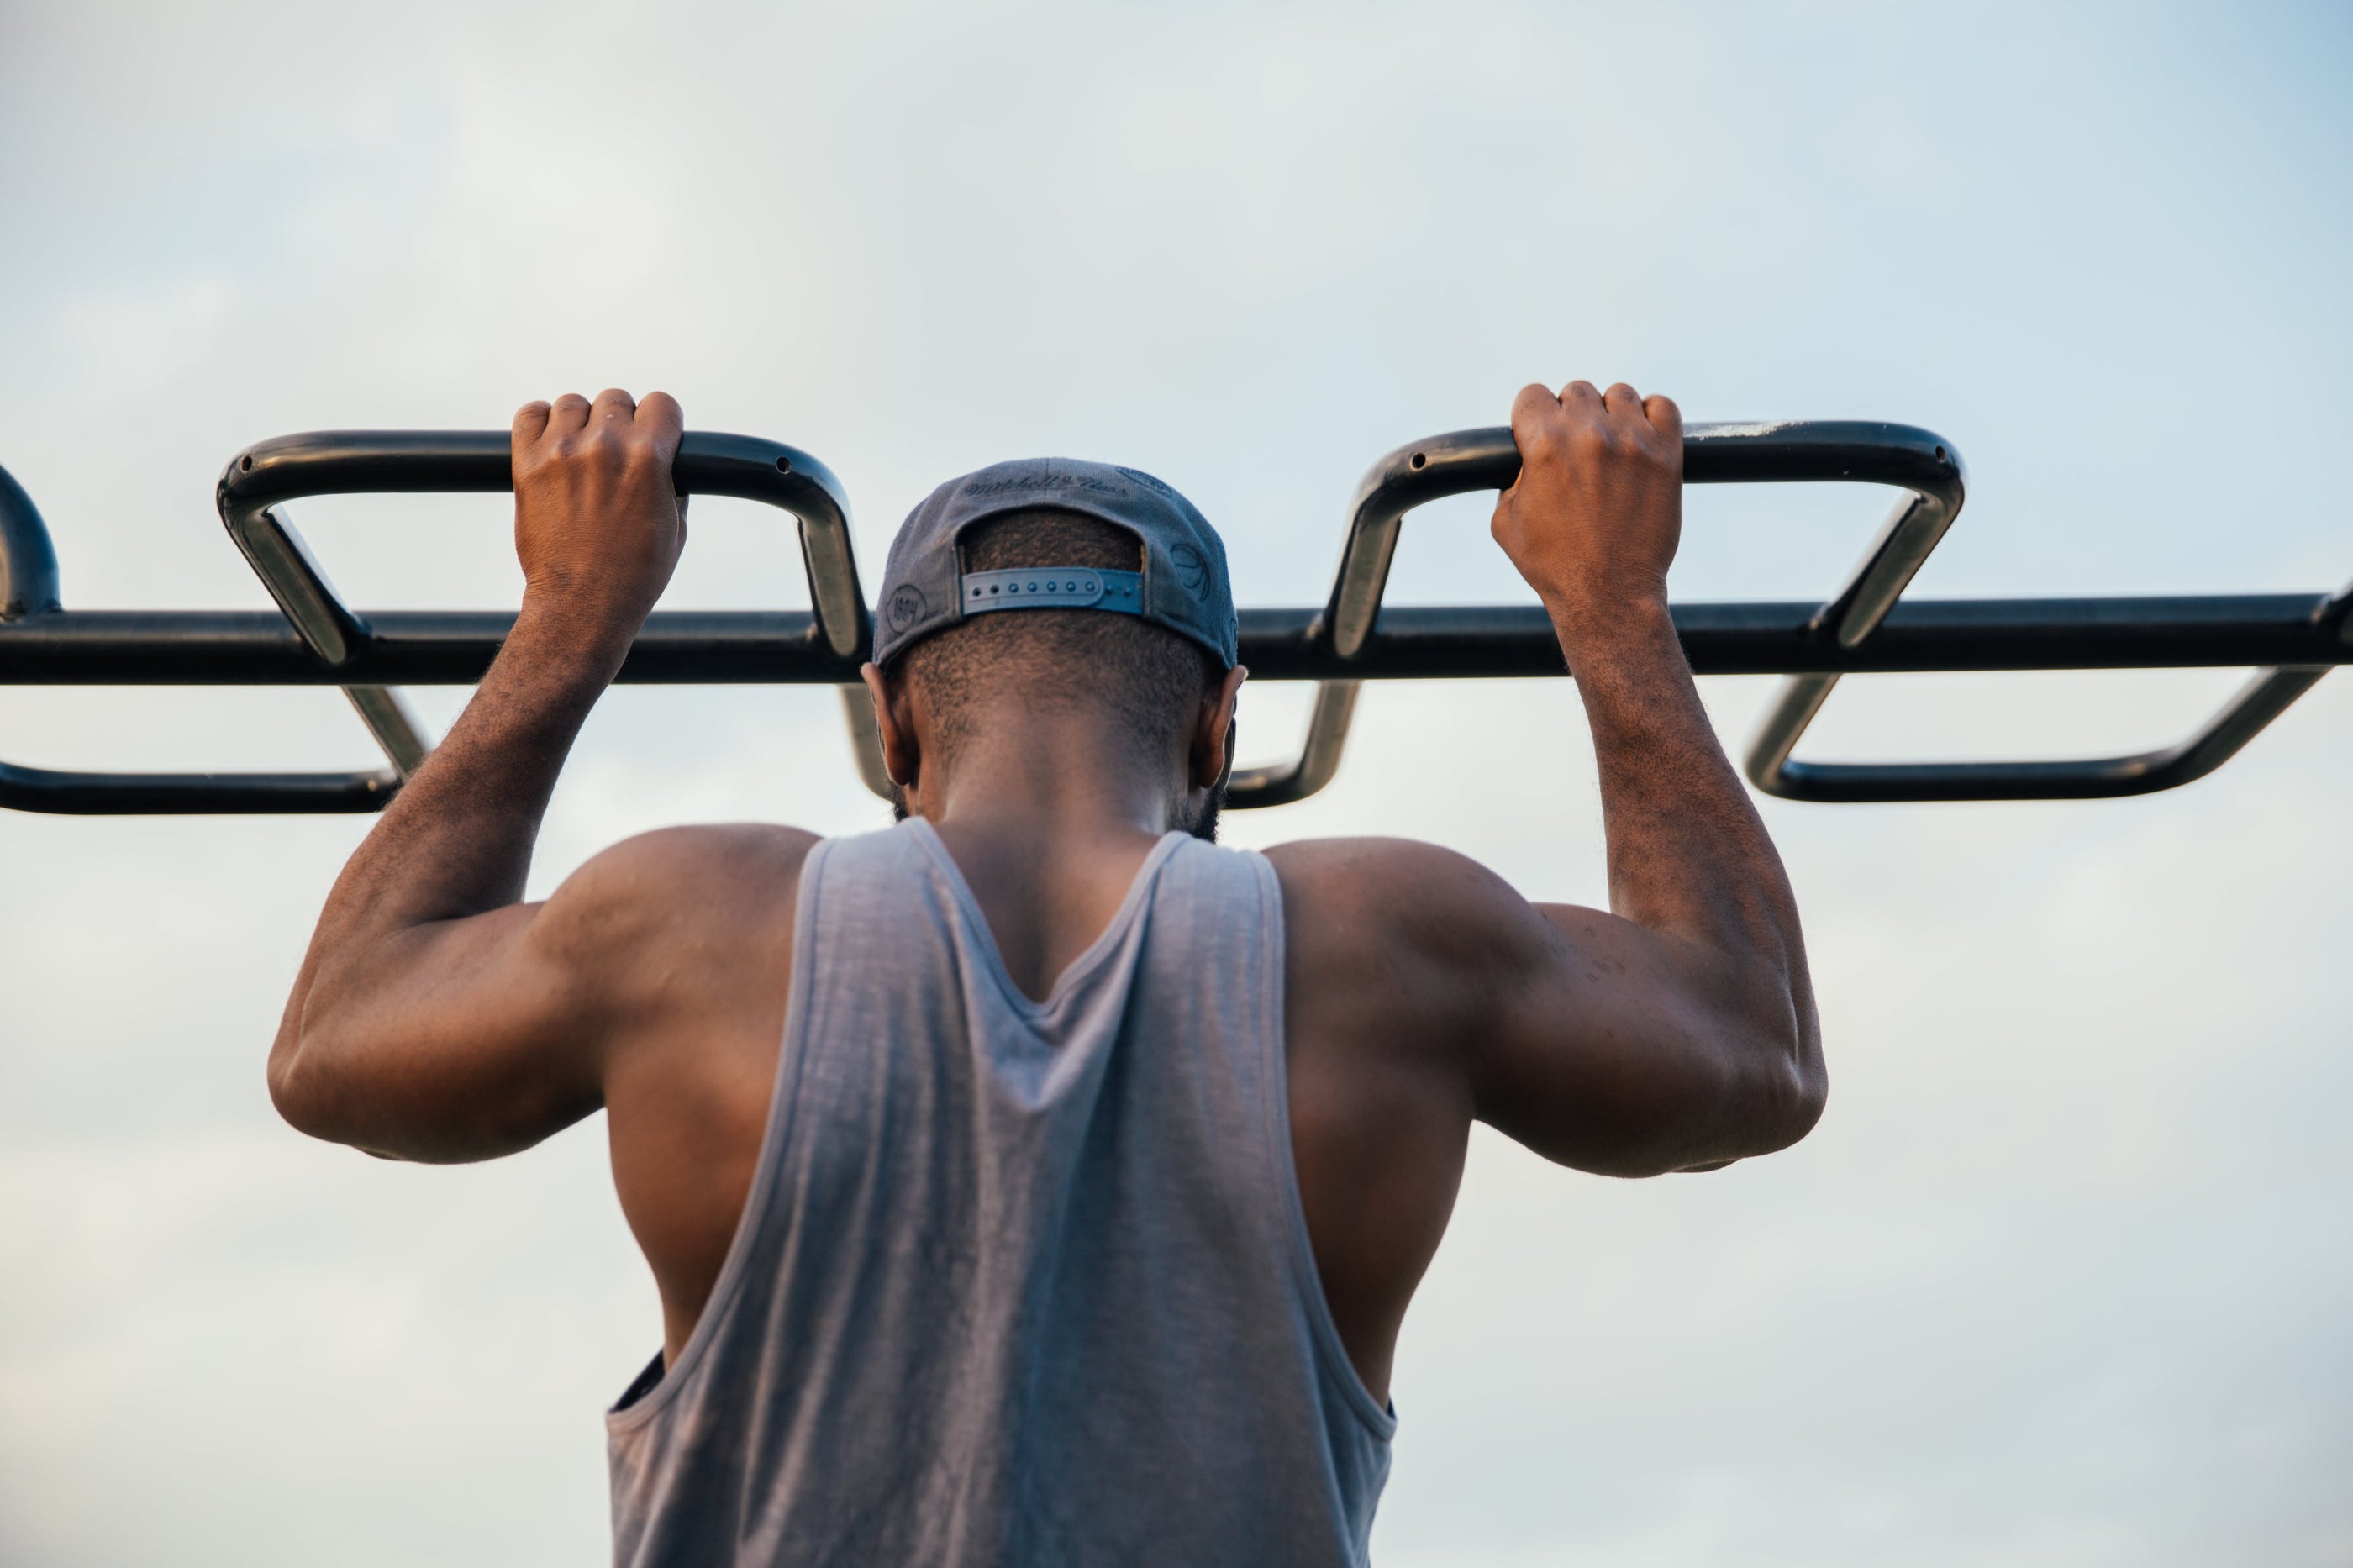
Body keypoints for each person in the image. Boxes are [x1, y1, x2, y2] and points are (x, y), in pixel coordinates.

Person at [265, 381, 1825, 1567]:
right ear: (1220, 730)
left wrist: (570, 616)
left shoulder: (692, 926)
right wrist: (1613, 600)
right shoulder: (1388, 945)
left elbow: (335, 1038)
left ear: (896, 728)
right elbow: (1753, 1048)